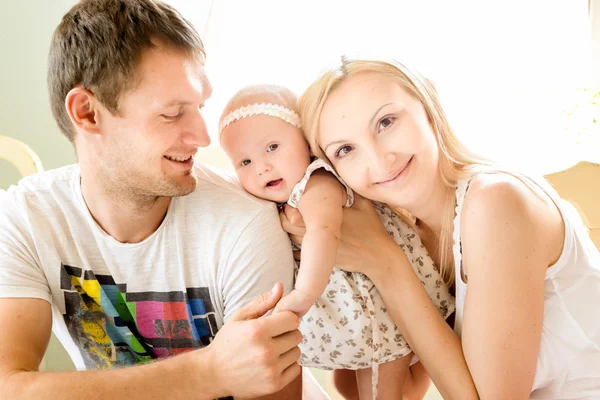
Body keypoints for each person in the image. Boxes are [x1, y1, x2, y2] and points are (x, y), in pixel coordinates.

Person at [0, 1, 309, 399]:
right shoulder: (26, 217)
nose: (202, 136)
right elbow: (8, 386)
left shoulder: (245, 222)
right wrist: (207, 373)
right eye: (172, 113)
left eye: (199, 107)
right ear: (88, 113)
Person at [284, 57, 600, 399]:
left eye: (386, 122)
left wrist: (387, 266)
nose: (379, 160)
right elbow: (403, 391)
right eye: (345, 150)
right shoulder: (410, 236)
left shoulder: (495, 203)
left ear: (428, 103)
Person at [219, 84, 454, 399]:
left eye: (272, 147)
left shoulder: (317, 183)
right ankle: (421, 366)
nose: (261, 167)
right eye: (244, 162)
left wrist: (303, 294)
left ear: (305, 142)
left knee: (379, 391)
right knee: (346, 386)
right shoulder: (273, 198)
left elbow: (323, 232)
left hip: (381, 308)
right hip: (355, 312)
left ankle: (426, 360)